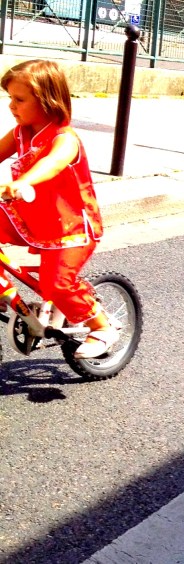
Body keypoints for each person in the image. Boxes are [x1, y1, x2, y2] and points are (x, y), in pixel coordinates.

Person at [0, 60, 116, 359]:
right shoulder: (21, 133)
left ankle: (102, 327)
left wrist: (23, 181)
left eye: (20, 99)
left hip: (70, 227)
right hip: (30, 218)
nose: (12, 105)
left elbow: (50, 164)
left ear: (47, 100)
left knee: (57, 284)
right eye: (10, 98)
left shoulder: (65, 139)